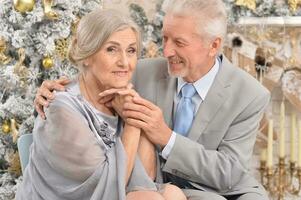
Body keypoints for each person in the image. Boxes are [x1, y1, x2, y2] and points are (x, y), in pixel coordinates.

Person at [34, 0, 270, 199]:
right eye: (165, 38)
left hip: (215, 188)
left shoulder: (250, 94)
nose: (166, 51)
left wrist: (166, 138)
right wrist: (51, 90)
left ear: (213, 46)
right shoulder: (142, 71)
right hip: (151, 185)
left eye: (179, 43)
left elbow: (230, 173)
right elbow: (94, 73)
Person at [16, 9, 186, 200]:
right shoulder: (61, 108)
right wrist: (130, 122)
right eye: (111, 49)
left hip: (114, 190)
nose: (124, 62)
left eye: (131, 50)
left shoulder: (120, 95)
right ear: (86, 54)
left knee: (173, 193)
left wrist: (133, 112)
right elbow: (106, 189)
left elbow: (145, 178)